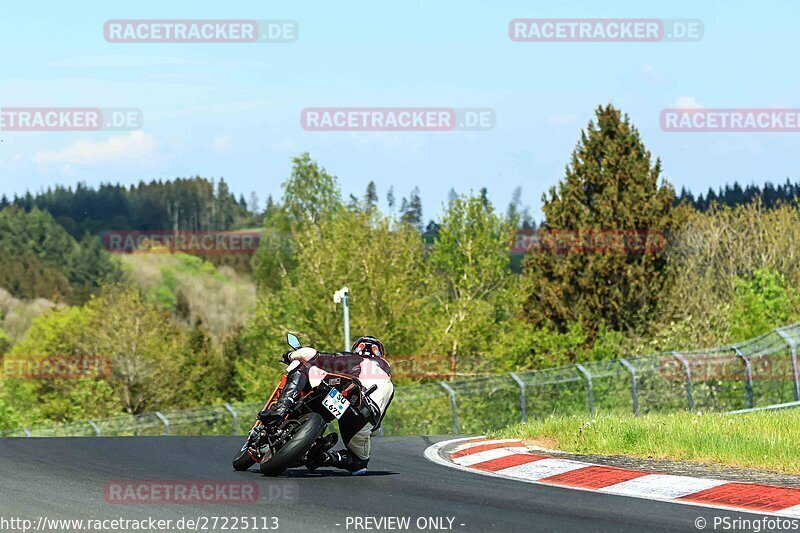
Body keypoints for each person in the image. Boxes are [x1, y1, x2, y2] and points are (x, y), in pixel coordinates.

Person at [259, 336, 394, 475]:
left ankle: (282, 407)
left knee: (302, 365)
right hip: (363, 419)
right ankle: (324, 457)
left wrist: (290, 355)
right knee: (360, 463)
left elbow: (313, 356)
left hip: (349, 394)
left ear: (357, 349)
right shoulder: (389, 385)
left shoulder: (355, 359)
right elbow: (377, 426)